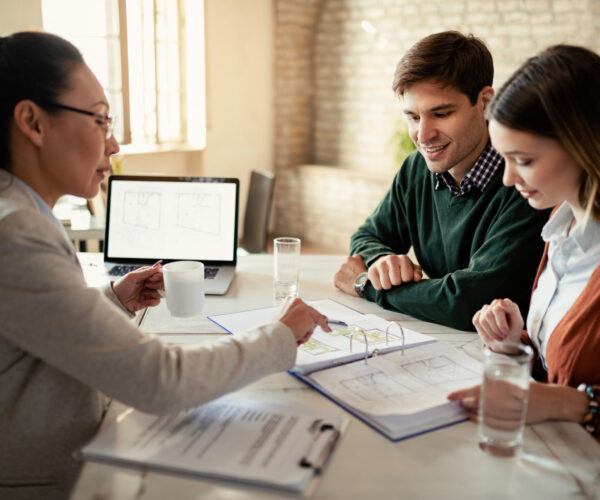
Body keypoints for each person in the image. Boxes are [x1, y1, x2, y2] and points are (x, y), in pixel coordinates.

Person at [0, 31, 330, 499]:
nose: (113, 145)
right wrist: (279, 335)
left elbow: (30, 335)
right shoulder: (16, 232)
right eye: (99, 120)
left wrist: (110, 302)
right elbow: (160, 380)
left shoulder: (20, 210)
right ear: (33, 121)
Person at [333, 31, 550, 331]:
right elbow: (367, 237)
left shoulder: (525, 185)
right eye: (413, 117)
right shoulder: (416, 169)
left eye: (441, 113)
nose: (423, 136)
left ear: (485, 101)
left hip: (501, 356)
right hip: (436, 344)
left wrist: (366, 285)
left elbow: (468, 301)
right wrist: (383, 262)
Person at [448, 45, 600, 439]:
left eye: (525, 160)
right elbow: (567, 366)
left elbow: (567, 391)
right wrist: (518, 344)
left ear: (584, 144)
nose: (507, 179)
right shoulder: (558, 225)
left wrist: (566, 403)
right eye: (504, 159)